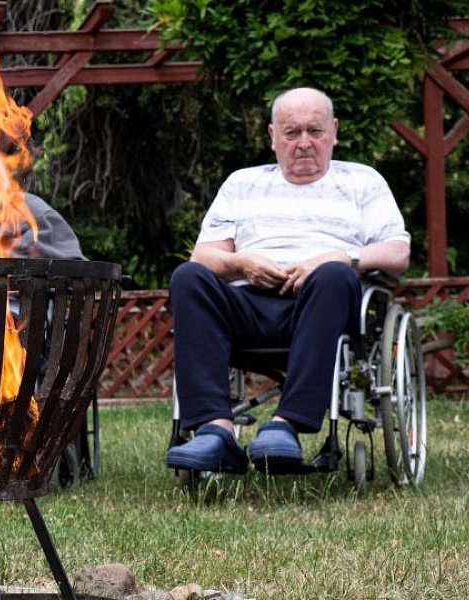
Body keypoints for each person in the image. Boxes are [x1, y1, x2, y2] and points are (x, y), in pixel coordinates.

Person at [165, 87, 410, 473]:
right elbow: (205, 256)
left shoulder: (363, 181)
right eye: (292, 132)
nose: (304, 142)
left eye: (315, 130)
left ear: (334, 131)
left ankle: (286, 425)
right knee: (188, 276)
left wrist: (342, 257)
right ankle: (215, 429)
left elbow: (397, 253)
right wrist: (242, 263)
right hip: (247, 305)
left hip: (323, 305)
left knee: (333, 274)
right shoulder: (242, 184)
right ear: (272, 136)